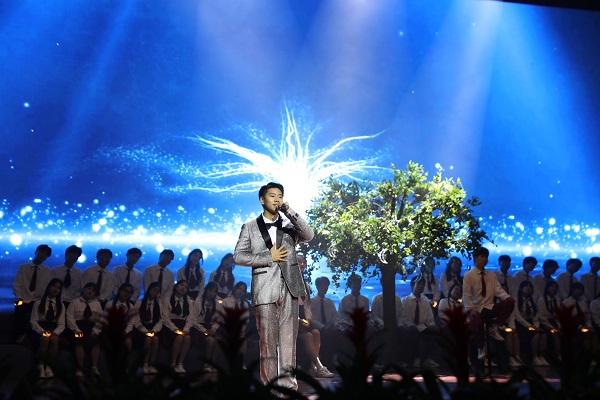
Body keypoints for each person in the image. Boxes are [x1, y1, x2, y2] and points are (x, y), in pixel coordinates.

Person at [233, 182, 313, 390]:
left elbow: (309, 235)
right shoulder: (250, 227)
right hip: (264, 287)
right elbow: (238, 256)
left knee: (288, 340)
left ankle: (289, 384)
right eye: (272, 195)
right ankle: (269, 385)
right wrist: (268, 257)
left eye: (280, 196)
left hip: (290, 286)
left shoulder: (290, 225)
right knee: (267, 340)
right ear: (262, 199)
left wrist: (290, 211)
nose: (277, 199)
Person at [462, 247, 515, 360]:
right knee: (477, 322)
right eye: (482, 256)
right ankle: (481, 348)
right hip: (476, 308)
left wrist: (507, 297)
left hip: (489, 307)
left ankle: (495, 327)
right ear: (475, 258)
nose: (485, 259)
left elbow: (498, 290)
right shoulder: (469, 275)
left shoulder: (491, 275)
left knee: (509, 303)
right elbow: (466, 294)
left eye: (486, 257)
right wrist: (471, 308)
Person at [297, 255, 334, 377]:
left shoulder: (306, 285)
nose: (302, 264)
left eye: (304, 262)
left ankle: (314, 367)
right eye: (299, 262)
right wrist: (299, 320)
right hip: (292, 318)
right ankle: (320, 367)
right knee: (308, 336)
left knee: (316, 332)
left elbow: (307, 305)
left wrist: (307, 318)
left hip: (303, 317)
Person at [13, 244, 53, 342]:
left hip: (37, 300)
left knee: (37, 316)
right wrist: (19, 297)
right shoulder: (23, 267)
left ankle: (33, 338)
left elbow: (46, 288)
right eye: (41, 252)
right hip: (24, 299)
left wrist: (42, 300)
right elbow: (17, 284)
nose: (43, 255)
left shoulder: (47, 270)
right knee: (19, 311)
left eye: (46, 254)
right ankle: (19, 336)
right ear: (36, 252)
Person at [402, 274, 440, 368]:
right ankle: (414, 359)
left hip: (422, 327)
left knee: (432, 331)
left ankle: (428, 359)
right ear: (412, 285)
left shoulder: (425, 303)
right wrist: (410, 325)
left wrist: (432, 325)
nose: (421, 286)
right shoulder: (405, 301)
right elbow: (403, 317)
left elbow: (430, 319)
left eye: (423, 284)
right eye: (418, 284)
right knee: (413, 331)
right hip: (409, 327)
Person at [66, 282, 104, 377]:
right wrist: (76, 330)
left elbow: (100, 319)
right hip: (78, 326)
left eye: (93, 291)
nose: (90, 292)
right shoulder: (74, 302)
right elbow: (69, 318)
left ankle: (94, 368)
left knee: (96, 342)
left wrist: (95, 331)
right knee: (79, 342)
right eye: (89, 289)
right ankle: (80, 368)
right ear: (84, 289)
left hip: (91, 327)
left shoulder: (97, 304)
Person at [30, 278, 65, 378]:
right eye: (54, 286)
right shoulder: (38, 303)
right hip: (40, 328)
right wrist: (42, 331)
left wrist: (55, 332)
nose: (55, 289)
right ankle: (41, 366)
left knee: (55, 339)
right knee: (45, 339)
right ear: (49, 287)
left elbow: (61, 323)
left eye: (58, 288)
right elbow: (33, 321)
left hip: (53, 328)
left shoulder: (60, 305)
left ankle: (49, 366)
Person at [130, 281, 163, 374]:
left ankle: (152, 364)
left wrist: (154, 330)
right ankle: (144, 364)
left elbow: (160, 320)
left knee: (155, 339)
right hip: (141, 328)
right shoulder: (139, 302)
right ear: (149, 289)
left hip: (153, 327)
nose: (155, 293)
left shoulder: (158, 304)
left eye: (157, 291)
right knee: (148, 339)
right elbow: (136, 320)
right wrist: (145, 331)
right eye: (154, 290)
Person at [513, 280, 548, 366]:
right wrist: (530, 326)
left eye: (530, 287)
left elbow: (535, 316)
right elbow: (518, 317)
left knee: (543, 334)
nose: (528, 288)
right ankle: (534, 357)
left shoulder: (532, 300)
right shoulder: (516, 300)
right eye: (526, 286)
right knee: (536, 334)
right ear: (521, 288)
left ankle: (541, 356)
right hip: (521, 324)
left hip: (531, 323)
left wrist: (536, 326)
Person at [162, 280, 195, 374]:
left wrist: (186, 329)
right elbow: (165, 318)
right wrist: (175, 329)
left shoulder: (188, 301)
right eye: (181, 285)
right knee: (179, 337)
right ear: (176, 286)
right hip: (170, 325)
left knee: (187, 338)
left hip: (183, 325)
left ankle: (180, 363)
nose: (183, 288)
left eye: (186, 287)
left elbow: (190, 318)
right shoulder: (167, 300)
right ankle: (173, 363)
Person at [309, 276, 342, 367]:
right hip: (318, 328)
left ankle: (336, 362)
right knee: (326, 336)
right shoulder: (312, 302)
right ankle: (325, 363)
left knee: (340, 334)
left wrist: (335, 325)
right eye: (323, 286)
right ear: (317, 287)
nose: (325, 288)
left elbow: (335, 317)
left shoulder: (330, 302)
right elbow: (312, 318)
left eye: (327, 286)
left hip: (330, 327)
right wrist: (323, 327)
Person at [191, 281, 222, 373]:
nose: (211, 293)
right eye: (210, 290)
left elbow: (217, 320)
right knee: (210, 340)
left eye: (214, 291)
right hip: (199, 327)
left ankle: (213, 363)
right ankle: (206, 364)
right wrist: (204, 330)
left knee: (218, 340)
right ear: (206, 290)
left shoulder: (217, 304)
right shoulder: (198, 302)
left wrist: (213, 329)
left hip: (211, 327)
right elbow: (193, 320)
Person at [220, 281, 251, 365]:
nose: (240, 291)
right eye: (239, 289)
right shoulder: (226, 301)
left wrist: (241, 330)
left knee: (243, 339)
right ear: (235, 289)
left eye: (243, 290)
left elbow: (246, 320)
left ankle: (240, 364)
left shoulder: (245, 304)